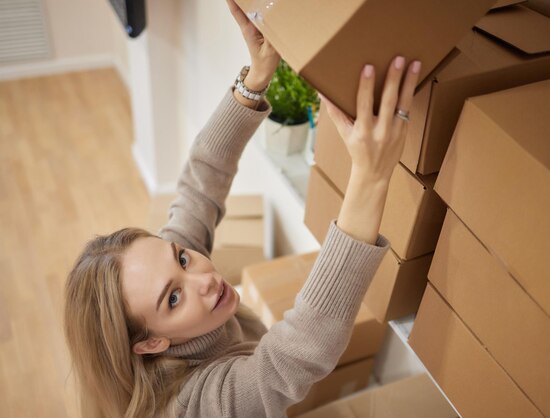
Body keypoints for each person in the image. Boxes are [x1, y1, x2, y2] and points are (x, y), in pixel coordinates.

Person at [63, 1, 421, 417]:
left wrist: (257, 74)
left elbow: (202, 180)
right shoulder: (196, 406)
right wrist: (371, 175)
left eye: (180, 257)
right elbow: (293, 357)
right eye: (174, 298)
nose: (202, 279)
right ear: (150, 344)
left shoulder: (176, 279)